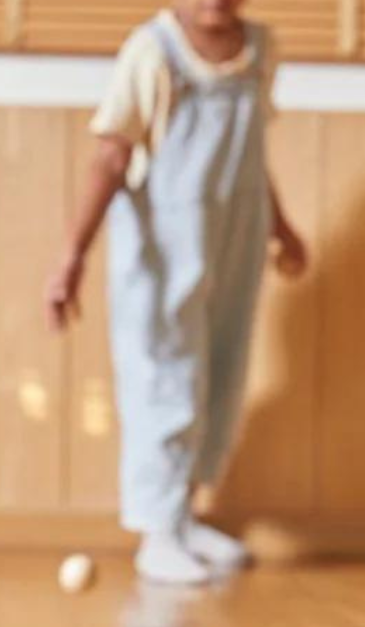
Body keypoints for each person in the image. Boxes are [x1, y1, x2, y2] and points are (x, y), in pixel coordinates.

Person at [46, 0, 307, 585]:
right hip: (166, 245)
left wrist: (281, 229)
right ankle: (156, 533)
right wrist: (72, 258)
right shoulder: (152, 53)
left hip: (233, 238)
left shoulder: (261, 50)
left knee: (219, 369)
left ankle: (184, 515)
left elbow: (252, 155)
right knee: (165, 374)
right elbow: (111, 156)